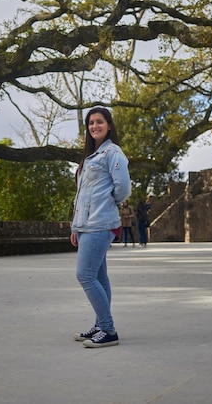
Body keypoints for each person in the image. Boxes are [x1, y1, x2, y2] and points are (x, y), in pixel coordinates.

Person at [70, 107, 131, 348]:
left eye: (99, 122)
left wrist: (109, 203)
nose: (94, 126)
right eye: (91, 123)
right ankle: (99, 325)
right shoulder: (89, 157)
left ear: (109, 125)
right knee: (98, 275)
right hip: (85, 224)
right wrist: (75, 227)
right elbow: (81, 195)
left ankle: (108, 329)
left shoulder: (112, 153)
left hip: (100, 223)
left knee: (84, 274)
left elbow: (123, 188)